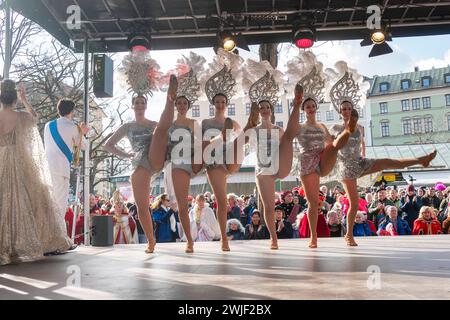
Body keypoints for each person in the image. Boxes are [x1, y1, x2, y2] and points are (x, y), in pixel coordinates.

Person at [327, 68, 436, 247]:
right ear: (340, 111)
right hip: (346, 167)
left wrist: (364, 157)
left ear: (352, 110)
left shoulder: (360, 128)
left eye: (349, 108)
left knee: (387, 161)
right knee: (354, 203)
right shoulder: (335, 128)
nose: (346, 110)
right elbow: (332, 148)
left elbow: (361, 145)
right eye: (344, 109)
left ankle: (421, 160)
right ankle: (348, 234)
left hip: (360, 162)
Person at [0, 80, 72, 265]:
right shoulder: (21, 116)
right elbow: (35, 117)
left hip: (2, 160)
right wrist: (25, 100)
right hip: (19, 160)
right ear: (15, 98)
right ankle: (20, 244)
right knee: (31, 198)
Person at [104, 76, 177, 253]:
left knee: (161, 129)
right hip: (140, 164)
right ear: (133, 106)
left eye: (142, 102)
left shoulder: (153, 124)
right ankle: (151, 240)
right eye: (136, 102)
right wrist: (126, 154)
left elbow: (169, 134)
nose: (139, 105)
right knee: (142, 207)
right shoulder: (127, 127)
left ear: (145, 106)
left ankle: (170, 99)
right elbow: (108, 145)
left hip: (155, 156)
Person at [43, 98, 89, 223]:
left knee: (49, 202)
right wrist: (83, 133)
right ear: (71, 111)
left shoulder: (48, 126)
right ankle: (58, 235)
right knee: (60, 203)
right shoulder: (73, 127)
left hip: (47, 169)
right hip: (61, 169)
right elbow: (85, 146)